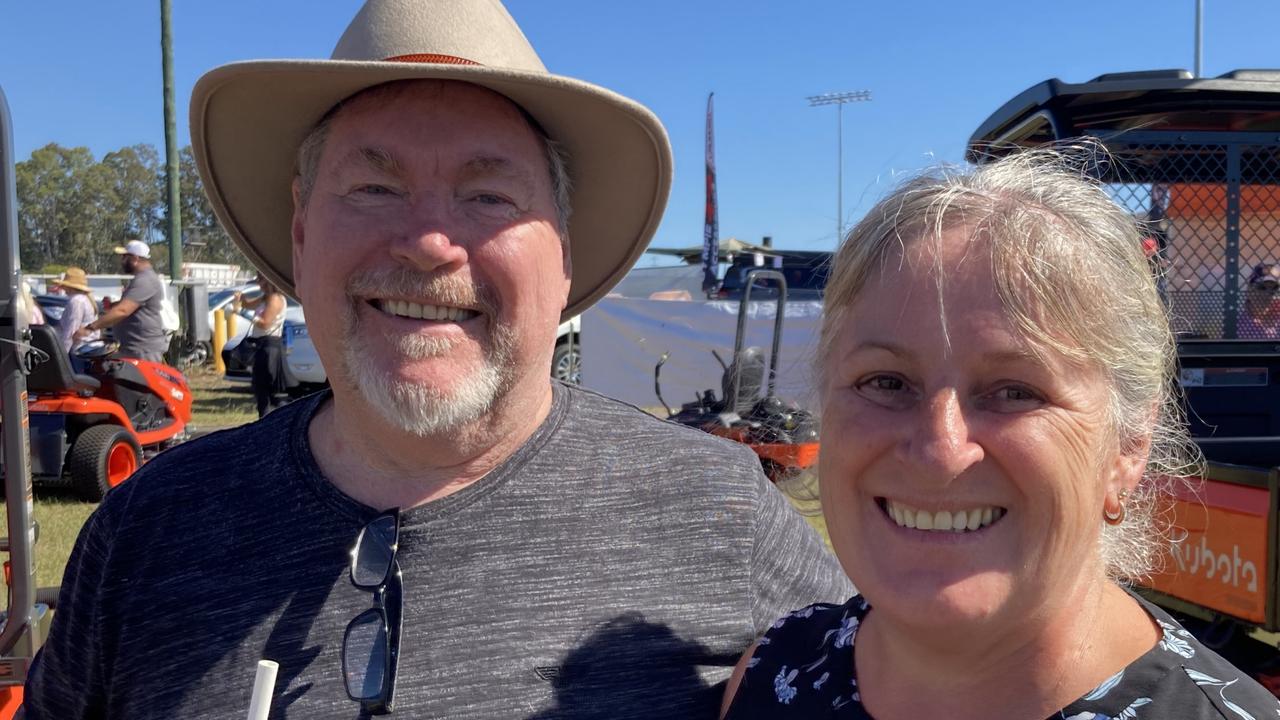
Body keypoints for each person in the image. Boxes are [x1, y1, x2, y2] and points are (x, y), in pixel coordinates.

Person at [21, 1, 849, 718]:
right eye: (374, 188)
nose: (426, 243)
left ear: (563, 256)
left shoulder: (721, 517)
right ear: (302, 234)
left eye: (489, 196)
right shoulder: (149, 532)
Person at [720, 150, 1280, 719]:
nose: (939, 452)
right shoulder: (772, 674)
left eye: (1016, 391)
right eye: (886, 382)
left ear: (1129, 444)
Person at [82, 239, 168, 362]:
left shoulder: (145, 280)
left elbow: (123, 311)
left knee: (143, 381)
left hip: (142, 349)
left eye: (124, 257)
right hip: (134, 348)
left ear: (135, 258)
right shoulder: (141, 279)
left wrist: (90, 328)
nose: (122, 261)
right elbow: (132, 306)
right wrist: (113, 306)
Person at [236, 273, 288, 417]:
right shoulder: (265, 297)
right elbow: (249, 304)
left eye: (261, 280)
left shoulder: (275, 298)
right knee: (260, 388)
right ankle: (264, 418)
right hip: (262, 345)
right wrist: (241, 299)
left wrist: (242, 313)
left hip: (270, 346)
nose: (259, 284)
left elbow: (265, 323)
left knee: (269, 388)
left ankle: (274, 419)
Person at [54, 267, 100, 354]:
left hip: (80, 349)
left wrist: (63, 354)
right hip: (89, 347)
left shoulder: (76, 301)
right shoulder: (86, 299)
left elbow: (71, 330)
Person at [1239, 262, 1280, 339]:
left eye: (1274, 289)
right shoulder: (1235, 326)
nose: (1269, 295)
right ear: (1249, 290)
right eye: (1262, 288)